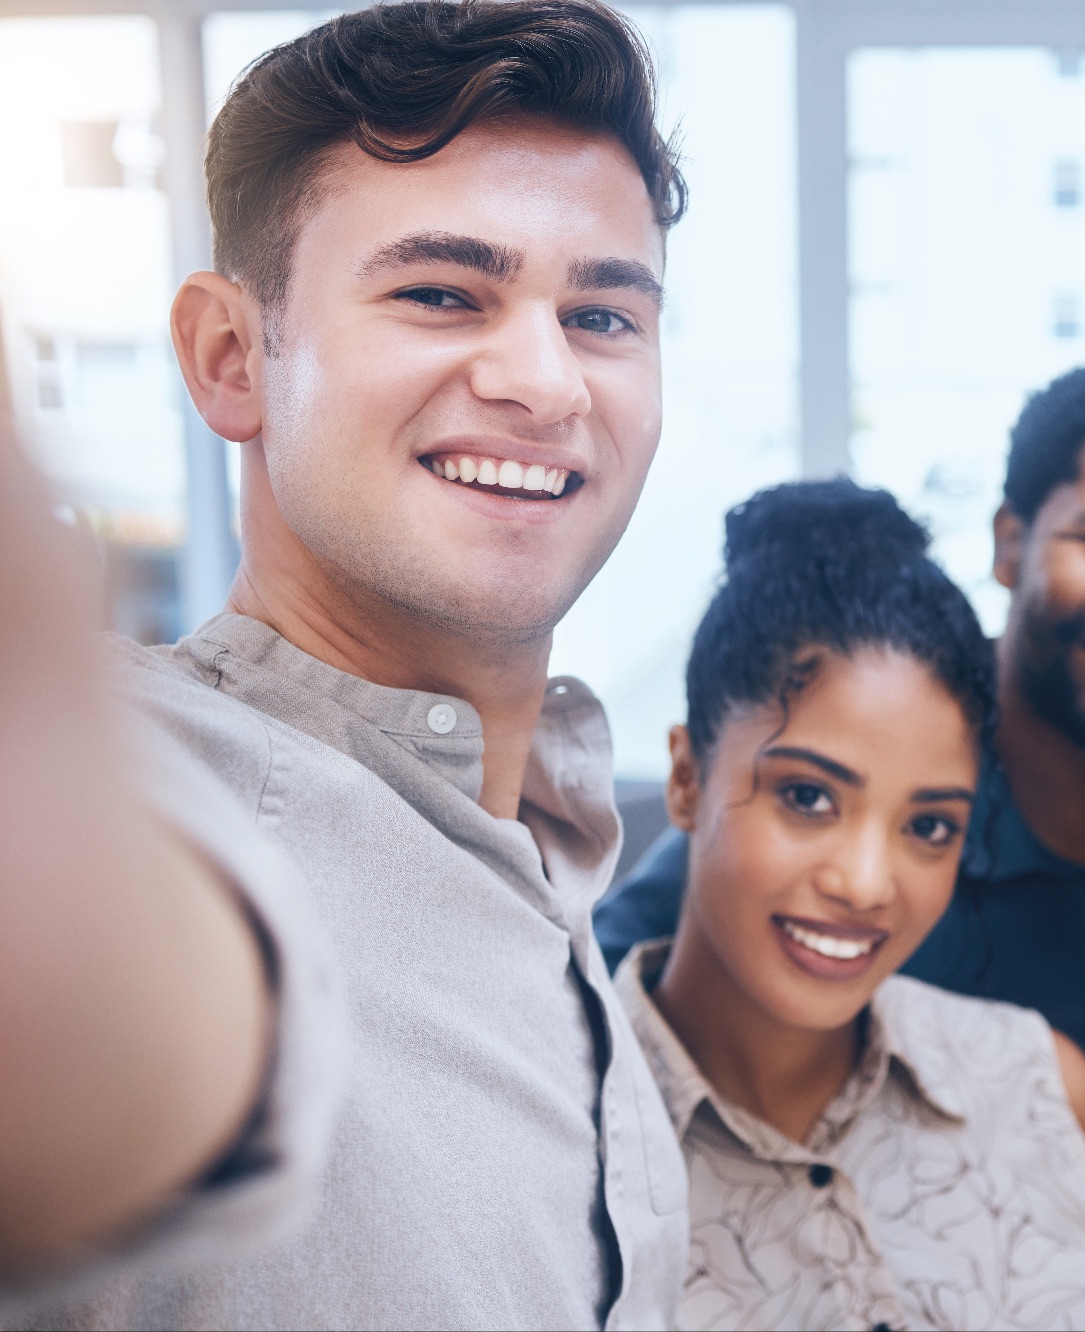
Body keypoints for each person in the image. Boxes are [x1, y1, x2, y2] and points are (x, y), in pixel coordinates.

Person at [7, 3, 696, 1325]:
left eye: (604, 316)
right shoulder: (147, 799)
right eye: (443, 294)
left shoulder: (553, 842)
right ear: (227, 356)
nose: (545, 382)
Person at [599, 351, 1085, 1330]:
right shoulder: (585, 1129)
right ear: (1011, 542)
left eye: (930, 826)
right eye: (807, 797)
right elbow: (599, 1007)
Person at [617, 479, 1085, 1329]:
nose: (863, 882)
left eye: (928, 825)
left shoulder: (1045, 1093)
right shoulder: (561, 1138)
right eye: (809, 798)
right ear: (686, 778)